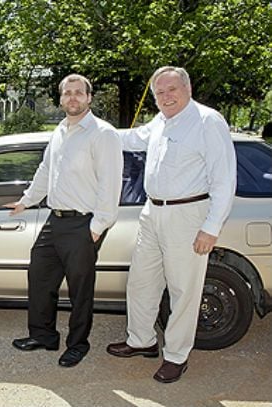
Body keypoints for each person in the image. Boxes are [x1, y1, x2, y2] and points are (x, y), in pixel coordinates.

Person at [106, 66, 236, 383]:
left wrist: (211, 227)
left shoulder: (207, 121)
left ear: (187, 88)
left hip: (188, 215)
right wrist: (96, 132)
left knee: (183, 291)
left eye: (171, 89)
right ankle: (141, 340)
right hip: (152, 213)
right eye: (159, 92)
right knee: (141, 282)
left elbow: (224, 178)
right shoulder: (161, 122)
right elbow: (134, 138)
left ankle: (176, 356)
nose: (166, 96)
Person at [9, 74, 123, 367]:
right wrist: (26, 201)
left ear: (89, 98)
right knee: (40, 277)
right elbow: (46, 171)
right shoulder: (61, 130)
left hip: (83, 225)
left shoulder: (103, 134)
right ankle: (43, 335)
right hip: (54, 220)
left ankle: (78, 344)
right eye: (67, 93)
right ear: (60, 99)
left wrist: (97, 228)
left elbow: (111, 185)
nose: (72, 97)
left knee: (79, 288)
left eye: (78, 93)